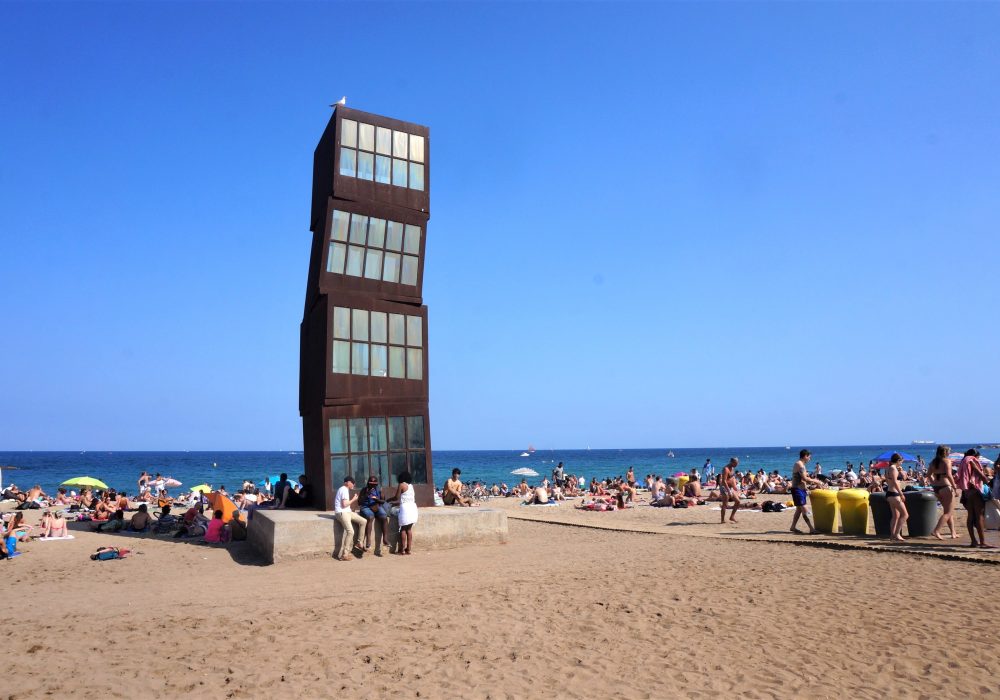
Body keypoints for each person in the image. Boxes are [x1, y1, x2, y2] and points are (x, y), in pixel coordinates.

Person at [956, 449, 992, 548]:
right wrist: (988, 482)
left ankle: (973, 541)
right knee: (979, 516)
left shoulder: (963, 461)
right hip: (975, 491)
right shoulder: (971, 460)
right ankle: (983, 542)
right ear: (975, 455)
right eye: (978, 458)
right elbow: (980, 475)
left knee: (971, 516)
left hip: (967, 492)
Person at [928, 445, 959, 540]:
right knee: (949, 512)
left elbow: (928, 475)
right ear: (945, 452)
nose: (950, 452)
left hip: (937, 488)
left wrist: (933, 484)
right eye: (949, 451)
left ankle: (953, 533)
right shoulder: (947, 461)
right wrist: (954, 487)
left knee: (947, 511)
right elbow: (949, 475)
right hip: (946, 486)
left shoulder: (933, 462)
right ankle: (936, 530)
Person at [333, 476, 366, 561]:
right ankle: (345, 554)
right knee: (350, 531)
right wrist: (354, 499)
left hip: (348, 512)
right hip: (342, 512)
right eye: (352, 482)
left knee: (363, 521)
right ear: (347, 482)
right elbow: (344, 504)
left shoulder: (345, 489)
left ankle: (359, 542)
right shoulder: (343, 489)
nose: (353, 484)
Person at [358, 475, 390, 551]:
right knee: (370, 517)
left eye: (374, 484)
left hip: (376, 506)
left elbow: (383, 501)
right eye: (371, 483)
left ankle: (385, 539)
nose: (373, 485)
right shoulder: (364, 490)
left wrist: (377, 500)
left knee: (384, 516)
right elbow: (359, 502)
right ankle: (368, 540)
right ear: (368, 483)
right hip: (365, 507)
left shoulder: (379, 490)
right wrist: (367, 494)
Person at [391, 470, 418, 555]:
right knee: (409, 529)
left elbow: (396, 497)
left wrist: (389, 500)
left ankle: (402, 550)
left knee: (403, 529)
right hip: (413, 507)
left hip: (405, 508)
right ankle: (409, 549)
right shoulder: (411, 486)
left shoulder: (401, 485)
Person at [885, 453, 909, 542]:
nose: (902, 463)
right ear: (898, 460)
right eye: (901, 461)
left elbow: (890, 480)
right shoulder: (893, 468)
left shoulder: (889, 468)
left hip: (890, 493)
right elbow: (895, 481)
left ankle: (892, 535)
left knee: (896, 516)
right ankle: (897, 534)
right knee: (905, 514)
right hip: (895, 494)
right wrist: (901, 493)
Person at [719, 458, 740, 524]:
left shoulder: (732, 468)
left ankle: (732, 517)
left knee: (738, 501)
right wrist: (728, 491)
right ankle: (722, 520)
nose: (737, 465)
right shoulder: (726, 469)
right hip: (724, 487)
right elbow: (724, 481)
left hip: (730, 487)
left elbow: (732, 478)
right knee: (725, 504)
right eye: (735, 463)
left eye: (737, 463)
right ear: (731, 462)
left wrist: (734, 486)